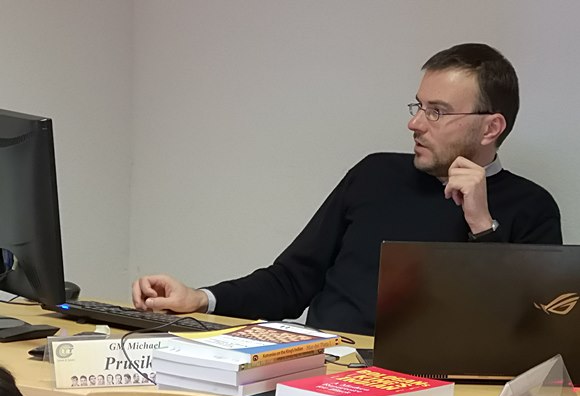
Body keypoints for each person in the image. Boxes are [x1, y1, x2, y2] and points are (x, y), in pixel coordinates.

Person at [132, 43, 562, 335]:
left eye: (437, 112)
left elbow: (531, 336)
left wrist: (483, 228)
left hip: (435, 391)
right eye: (419, 106)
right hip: (325, 375)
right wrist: (201, 299)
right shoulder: (375, 174)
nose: (414, 123)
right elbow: (292, 280)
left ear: (490, 128)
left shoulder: (531, 207)